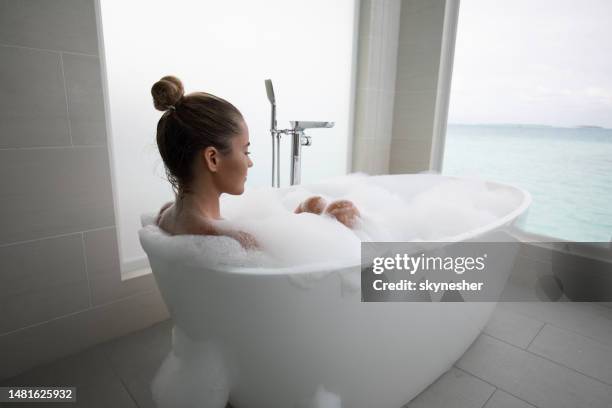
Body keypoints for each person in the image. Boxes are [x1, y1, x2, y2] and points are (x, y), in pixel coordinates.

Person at [152, 75, 360, 249]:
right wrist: (336, 227)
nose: (250, 163)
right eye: (245, 151)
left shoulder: (165, 215)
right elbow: (292, 263)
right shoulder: (230, 240)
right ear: (213, 159)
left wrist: (304, 210)